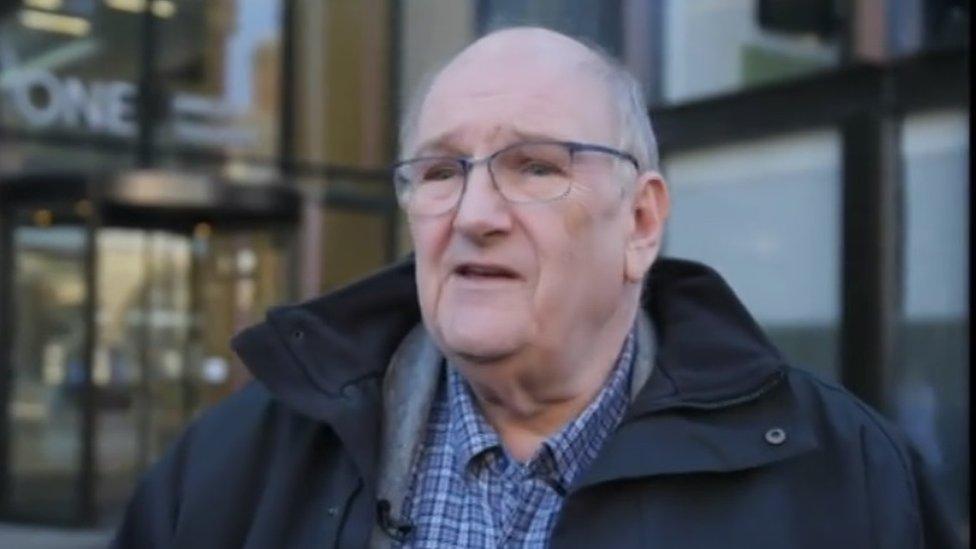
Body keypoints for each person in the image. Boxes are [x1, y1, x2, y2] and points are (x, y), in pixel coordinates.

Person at [112, 27, 961, 549]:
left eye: (536, 166)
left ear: (639, 222)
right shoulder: (239, 464)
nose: (476, 212)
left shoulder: (844, 479)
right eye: (443, 170)